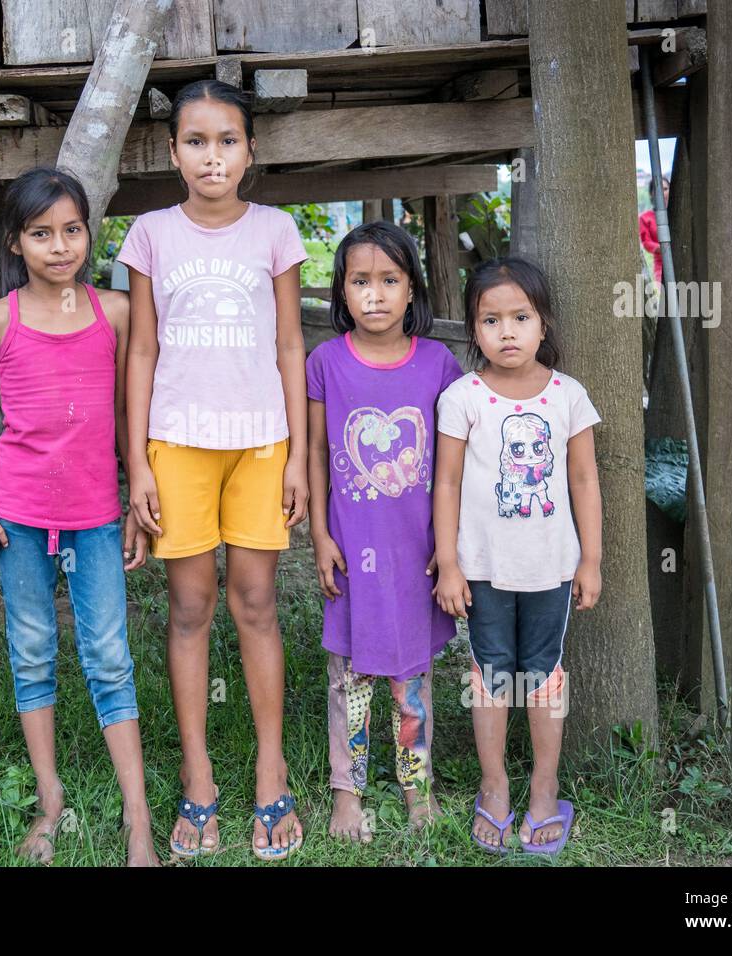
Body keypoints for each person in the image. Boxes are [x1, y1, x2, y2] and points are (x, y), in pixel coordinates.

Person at [0, 166, 157, 867]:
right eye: (41, 233)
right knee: (31, 656)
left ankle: (137, 817)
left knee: (110, 658)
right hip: (19, 521)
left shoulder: (116, 313)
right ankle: (50, 801)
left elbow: (128, 417)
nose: (60, 246)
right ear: (15, 243)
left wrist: (137, 500)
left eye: (72, 230)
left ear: (90, 234)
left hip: (97, 517)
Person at [118, 78, 310, 860]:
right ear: (172, 153)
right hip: (177, 442)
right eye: (195, 142)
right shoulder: (151, 234)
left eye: (227, 140)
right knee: (191, 608)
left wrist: (298, 452)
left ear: (250, 152)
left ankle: (272, 769)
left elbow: (292, 345)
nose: (211, 156)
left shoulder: (275, 231)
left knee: (256, 602)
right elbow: (140, 350)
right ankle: (198, 777)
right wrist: (137, 463)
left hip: (262, 440)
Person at [432, 256, 603, 856]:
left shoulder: (569, 397)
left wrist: (591, 560)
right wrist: (448, 562)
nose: (507, 332)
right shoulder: (463, 397)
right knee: (492, 674)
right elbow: (446, 483)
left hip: (551, 569)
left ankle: (544, 787)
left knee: (543, 675)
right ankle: (495, 783)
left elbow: (584, 480)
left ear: (543, 323)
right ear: (473, 329)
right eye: (491, 320)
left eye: (520, 317)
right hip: (482, 571)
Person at [306, 221, 464, 841]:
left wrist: (449, 551)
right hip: (352, 550)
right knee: (349, 680)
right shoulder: (326, 361)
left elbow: (452, 465)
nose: (374, 294)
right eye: (360, 281)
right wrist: (319, 535)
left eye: (389, 280)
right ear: (341, 292)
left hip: (417, 555)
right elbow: (319, 454)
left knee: (411, 680)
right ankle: (348, 791)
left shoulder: (439, 363)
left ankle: (416, 785)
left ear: (411, 289)